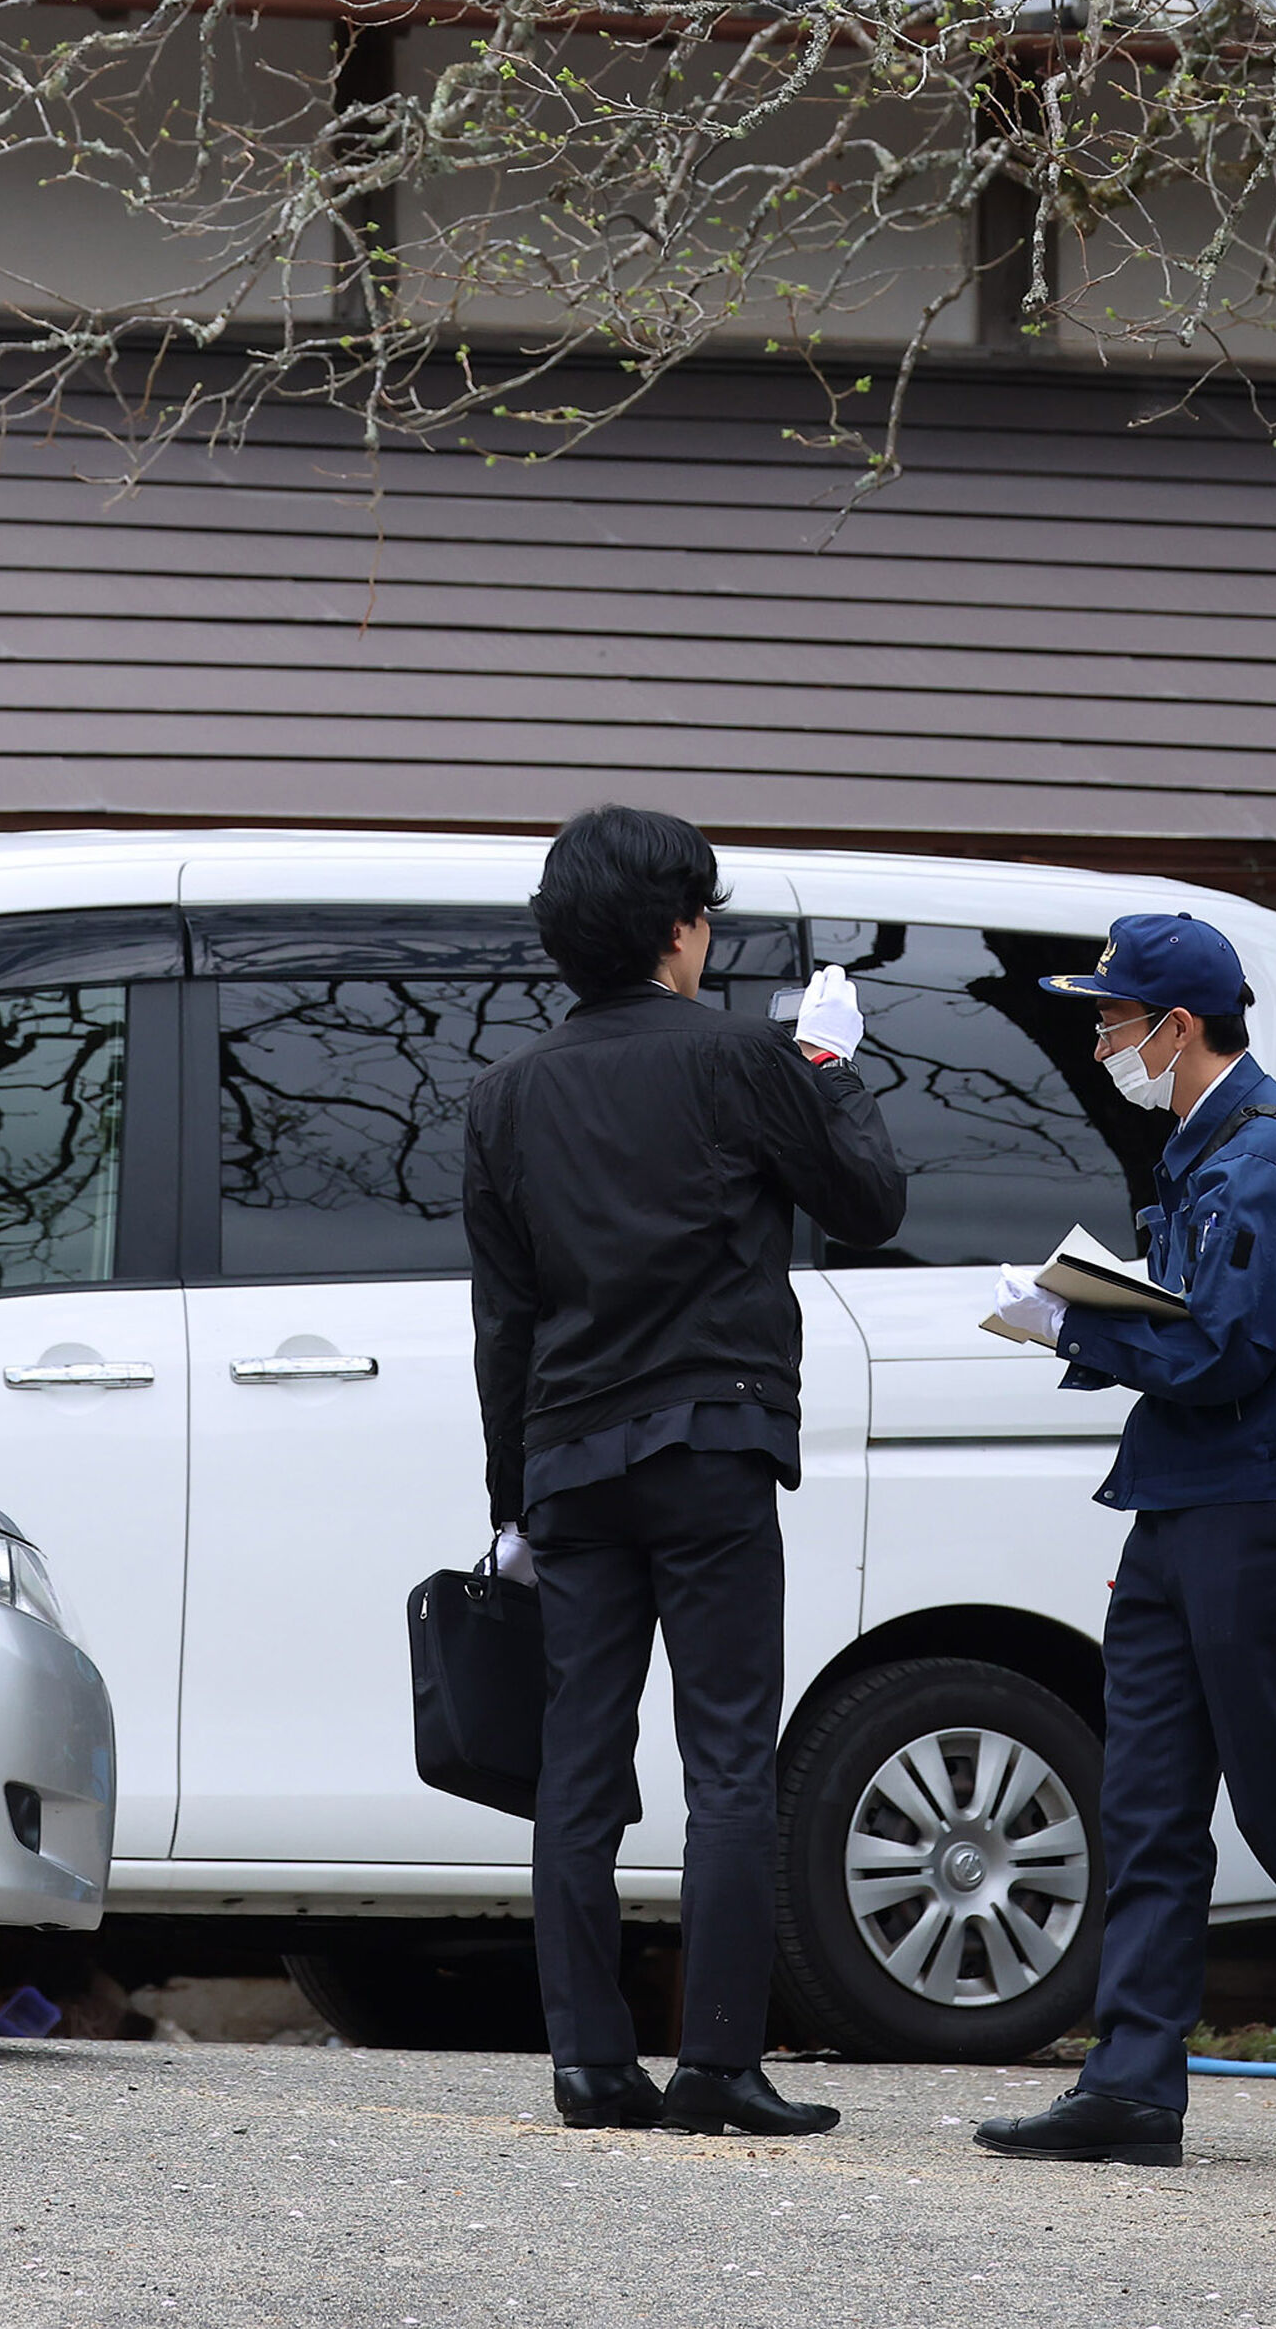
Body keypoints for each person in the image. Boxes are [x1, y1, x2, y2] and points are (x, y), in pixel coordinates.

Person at [970, 912, 1276, 2173]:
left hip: (1249, 1508)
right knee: (1145, 1799)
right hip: (1186, 1506)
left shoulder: (1257, 1155)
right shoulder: (1218, 1143)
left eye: (1110, 1017)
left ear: (1173, 1027)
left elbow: (1220, 1350)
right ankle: (1133, 2079)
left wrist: (1065, 1323)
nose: (1098, 1040)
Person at [464, 803, 908, 2137]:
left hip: (569, 1460)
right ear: (679, 928)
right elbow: (869, 1202)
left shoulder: (505, 1095)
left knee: (579, 1764)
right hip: (710, 1439)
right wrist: (828, 1063)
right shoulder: (737, 1059)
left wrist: (510, 1502)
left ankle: (590, 2062)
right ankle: (717, 2059)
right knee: (727, 1755)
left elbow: (503, 1319)